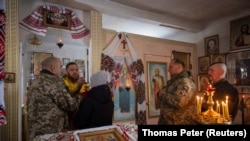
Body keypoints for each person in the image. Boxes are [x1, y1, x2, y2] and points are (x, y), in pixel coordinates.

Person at [26, 56, 83, 140]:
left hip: (36, 132)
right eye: (60, 67)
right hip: (51, 133)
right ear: (53, 67)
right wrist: (80, 95)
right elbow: (71, 105)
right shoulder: (54, 83)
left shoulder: (36, 81)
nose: (62, 70)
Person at [157, 58, 197, 125]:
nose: (168, 70)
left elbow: (179, 102)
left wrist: (164, 94)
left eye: (171, 67)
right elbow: (162, 96)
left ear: (179, 67)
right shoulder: (174, 82)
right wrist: (160, 94)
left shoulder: (185, 82)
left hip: (179, 122)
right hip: (167, 121)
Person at [63, 62, 89, 130]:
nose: (75, 72)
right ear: (66, 72)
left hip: (81, 118)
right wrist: (78, 86)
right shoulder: (62, 82)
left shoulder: (83, 82)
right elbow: (67, 96)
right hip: (68, 119)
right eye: (72, 70)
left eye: (76, 70)